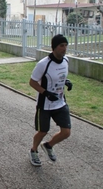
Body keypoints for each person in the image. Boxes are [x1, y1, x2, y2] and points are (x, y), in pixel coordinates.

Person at [28, 34, 73, 167]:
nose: (64, 49)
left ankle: (48, 145)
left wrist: (66, 81)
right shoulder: (43, 64)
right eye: (61, 46)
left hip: (60, 102)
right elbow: (32, 82)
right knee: (43, 131)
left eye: (65, 46)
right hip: (45, 104)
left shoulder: (66, 60)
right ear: (54, 47)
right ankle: (33, 150)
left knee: (66, 132)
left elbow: (60, 76)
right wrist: (46, 93)